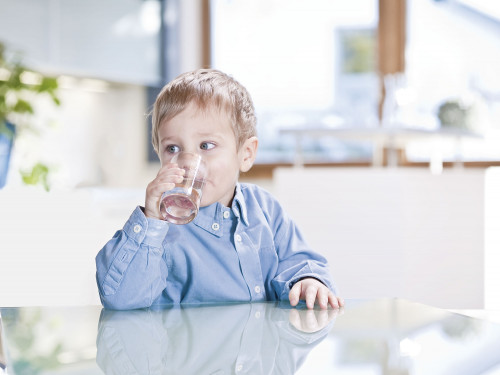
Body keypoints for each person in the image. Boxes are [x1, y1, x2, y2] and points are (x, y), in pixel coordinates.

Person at [95, 69, 344, 310]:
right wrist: (150, 222)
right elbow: (119, 298)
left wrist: (308, 281)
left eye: (206, 145)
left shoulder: (265, 209)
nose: (188, 160)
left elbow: (298, 261)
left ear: (245, 154)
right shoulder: (161, 229)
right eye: (172, 148)